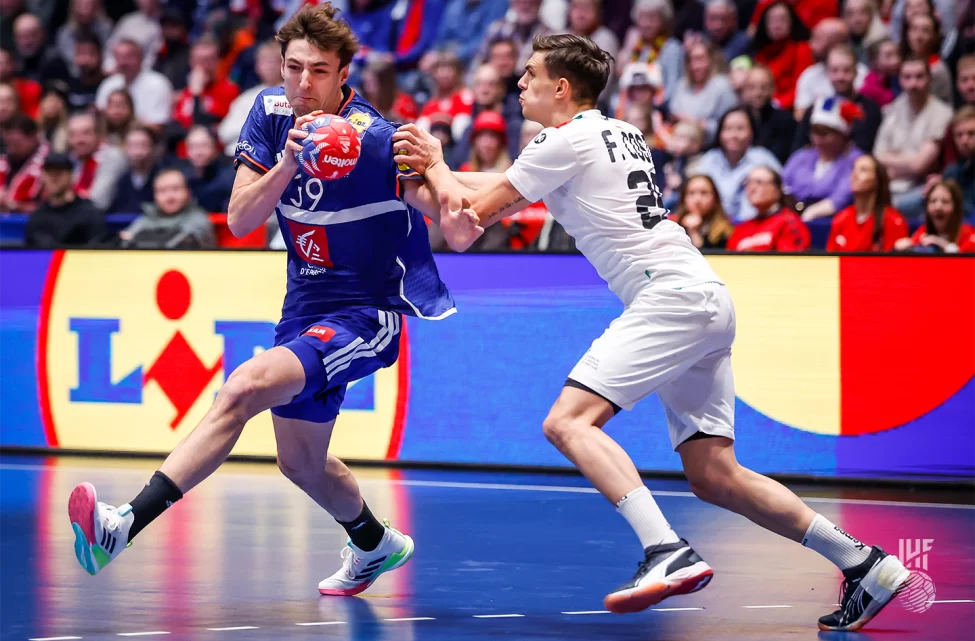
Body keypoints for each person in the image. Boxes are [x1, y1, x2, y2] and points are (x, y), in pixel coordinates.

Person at [393, 33, 912, 632]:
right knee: (716, 475)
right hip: (703, 296)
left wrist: (431, 165)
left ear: (560, 88)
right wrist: (421, 180)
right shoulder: (610, 132)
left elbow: (468, 219)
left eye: (529, 73)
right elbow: (483, 188)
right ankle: (864, 562)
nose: (519, 82)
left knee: (567, 422)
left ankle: (667, 550)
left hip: (667, 297)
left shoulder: (559, 141)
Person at [66, 3, 474, 598]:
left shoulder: (382, 139)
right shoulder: (270, 113)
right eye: (293, 67)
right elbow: (239, 218)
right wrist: (289, 161)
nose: (303, 83)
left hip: (367, 314)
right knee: (301, 463)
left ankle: (121, 525)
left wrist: (441, 170)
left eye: (319, 71)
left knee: (243, 386)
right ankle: (374, 542)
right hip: (302, 307)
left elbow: (456, 222)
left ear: (343, 77)